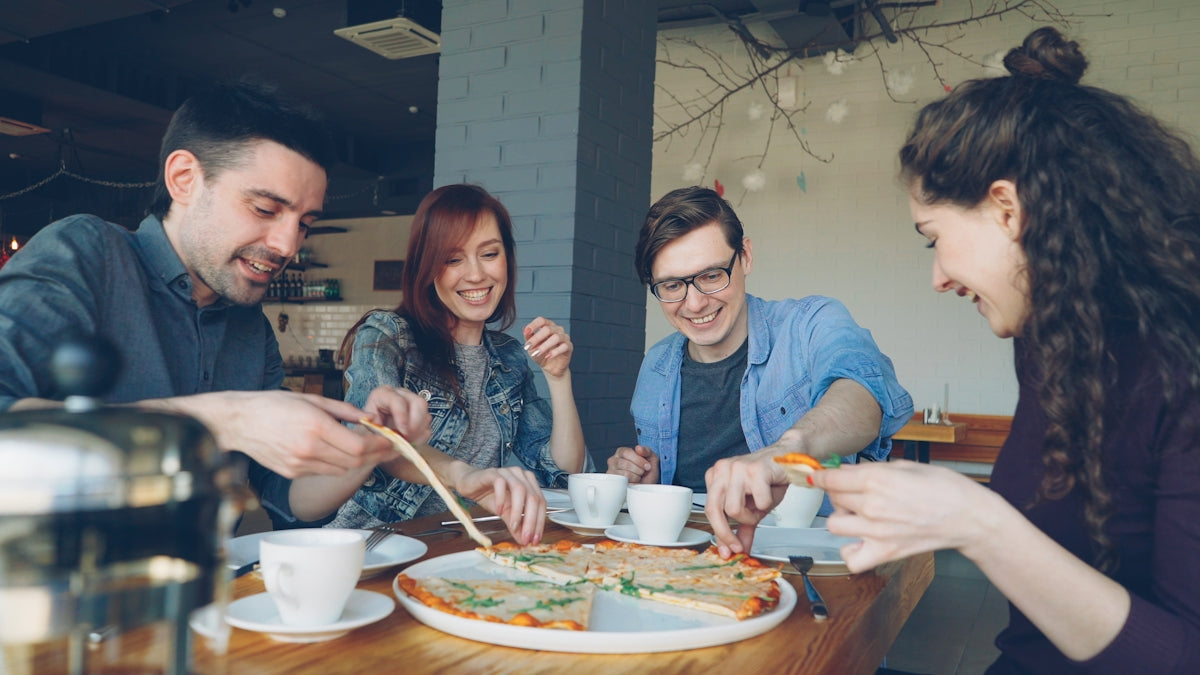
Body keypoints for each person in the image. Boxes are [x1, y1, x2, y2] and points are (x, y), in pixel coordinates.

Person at [789, 27, 1200, 672]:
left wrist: (979, 524)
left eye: (933, 239)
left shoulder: (1183, 366)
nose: (938, 277)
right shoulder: (1051, 340)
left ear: (1007, 209)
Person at [0, 80, 545, 543]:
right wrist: (227, 419)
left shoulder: (247, 327)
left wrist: (369, 448)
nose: (287, 244)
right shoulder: (86, 255)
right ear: (185, 179)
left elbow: (294, 501)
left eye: (305, 222)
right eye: (264, 208)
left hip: (198, 606)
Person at [607, 185, 913, 544]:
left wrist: (787, 450)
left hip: (804, 563)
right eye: (673, 285)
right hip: (683, 569)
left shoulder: (810, 324)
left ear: (746, 257)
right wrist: (645, 482)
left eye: (711, 276)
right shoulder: (656, 366)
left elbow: (864, 394)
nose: (693, 304)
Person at [280, 184, 590, 534]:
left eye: (489, 254)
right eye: (453, 259)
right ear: (428, 267)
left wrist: (558, 378)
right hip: (375, 541)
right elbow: (384, 442)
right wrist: (463, 475)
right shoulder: (387, 336)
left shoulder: (508, 358)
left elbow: (562, 469)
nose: (476, 274)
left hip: (457, 543)